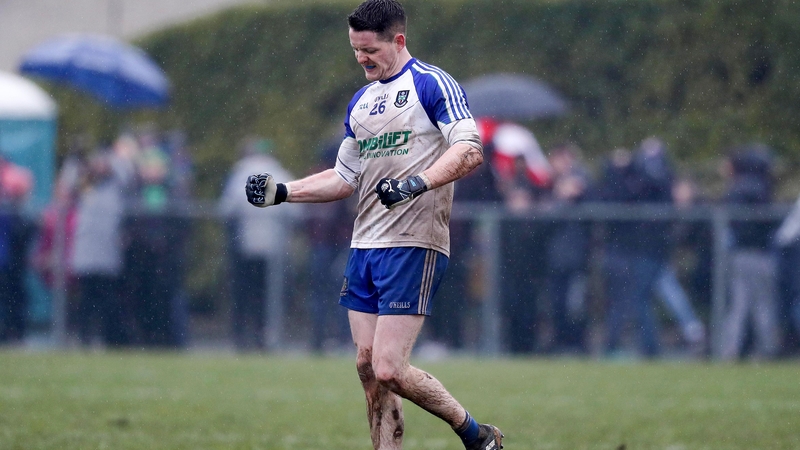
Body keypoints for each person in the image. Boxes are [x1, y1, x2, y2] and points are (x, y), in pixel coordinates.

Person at [243, 1, 503, 449]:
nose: (361, 58)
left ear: (398, 40)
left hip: (413, 244)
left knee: (388, 367)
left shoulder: (431, 83)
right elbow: (344, 178)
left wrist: (415, 184)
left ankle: (476, 434)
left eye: (370, 50)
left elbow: (469, 149)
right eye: (355, 49)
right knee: (367, 368)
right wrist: (283, 191)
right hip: (365, 246)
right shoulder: (361, 101)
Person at [219, 137, 302, 351]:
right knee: (268, 297)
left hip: (244, 246)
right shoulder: (280, 173)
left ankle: (241, 338)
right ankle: (264, 336)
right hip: (275, 248)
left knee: (244, 295)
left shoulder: (240, 174)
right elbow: (296, 210)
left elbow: (227, 208)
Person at [719, 144, 780, 360]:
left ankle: (731, 350)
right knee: (762, 304)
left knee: (740, 304)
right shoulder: (763, 187)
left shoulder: (739, 188)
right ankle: (767, 350)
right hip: (762, 254)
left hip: (743, 253)